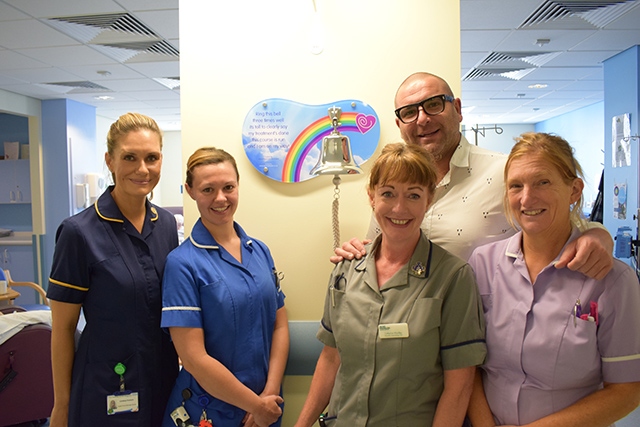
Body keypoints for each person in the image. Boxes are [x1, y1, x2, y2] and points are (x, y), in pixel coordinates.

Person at [336, 72, 613, 280]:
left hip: (480, 337)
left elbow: (566, 224)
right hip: (406, 339)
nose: (422, 119)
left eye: (433, 105)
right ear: (399, 125)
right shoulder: (392, 188)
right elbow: (381, 249)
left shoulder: (504, 173)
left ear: (457, 109)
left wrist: (599, 236)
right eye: (409, 112)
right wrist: (357, 249)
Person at [295, 142, 487, 427]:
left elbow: (459, 387)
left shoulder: (453, 278)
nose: (399, 208)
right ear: (372, 197)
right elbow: (330, 359)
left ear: (429, 199)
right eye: (388, 193)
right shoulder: (346, 270)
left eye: (413, 195)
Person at [466, 132, 640, 426]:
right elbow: (468, 366)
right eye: (516, 186)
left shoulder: (612, 280)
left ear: (574, 190)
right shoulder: (482, 264)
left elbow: (627, 389)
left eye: (542, 182)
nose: (527, 198)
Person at [47, 112, 179, 427]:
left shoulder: (166, 226)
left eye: (152, 157)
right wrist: (61, 407)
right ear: (110, 160)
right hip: (105, 385)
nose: (142, 169)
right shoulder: (79, 232)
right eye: (129, 157)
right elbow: (63, 329)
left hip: (162, 380)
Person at [161, 147, 289, 427]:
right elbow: (193, 359)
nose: (220, 198)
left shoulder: (259, 251)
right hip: (210, 411)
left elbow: (279, 324)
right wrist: (254, 405)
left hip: (267, 408)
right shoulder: (182, 263)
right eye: (208, 189)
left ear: (238, 186)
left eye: (228, 187)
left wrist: (269, 395)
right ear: (191, 191)